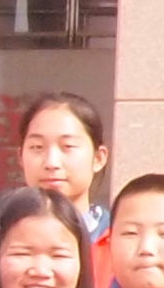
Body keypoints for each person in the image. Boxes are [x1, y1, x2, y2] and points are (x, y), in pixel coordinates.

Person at [11, 91, 112, 239]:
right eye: (37, 147)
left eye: (68, 146)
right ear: (20, 157)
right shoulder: (2, 241)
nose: (51, 162)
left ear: (98, 158)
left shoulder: (117, 241)